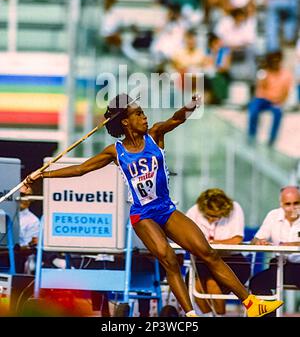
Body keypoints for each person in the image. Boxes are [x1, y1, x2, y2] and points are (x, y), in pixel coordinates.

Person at [25, 93, 283, 317]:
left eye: (143, 113)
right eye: (138, 114)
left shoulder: (155, 134)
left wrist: (189, 107)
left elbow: (177, 119)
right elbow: (81, 169)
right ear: (125, 122)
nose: (144, 117)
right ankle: (191, 314)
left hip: (165, 208)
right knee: (169, 260)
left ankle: (251, 303)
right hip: (142, 215)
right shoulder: (115, 151)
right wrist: (42, 175)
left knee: (208, 252)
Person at [186, 188, 251, 316]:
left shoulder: (235, 208)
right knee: (194, 285)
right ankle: (209, 315)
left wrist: (213, 244)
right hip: (203, 260)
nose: (212, 220)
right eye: (208, 215)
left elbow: (237, 238)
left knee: (211, 283)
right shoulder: (193, 211)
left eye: (216, 216)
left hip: (232, 260)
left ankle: (220, 315)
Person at [249, 186, 300, 301]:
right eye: (288, 204)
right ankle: (270, 314)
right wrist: (259, 242)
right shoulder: (273, 215)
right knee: (256, 283)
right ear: (281, 204)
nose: (292, 208)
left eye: (296, 203)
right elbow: (255, 240)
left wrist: (292, 244)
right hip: (280, 265)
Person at [248, 50, 293, 146]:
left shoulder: (286, 74)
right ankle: (251, 138)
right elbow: (260, 89)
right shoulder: (264, 72)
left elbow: (285, 93)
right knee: (253, 109)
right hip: (263, 99)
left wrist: (279, 102)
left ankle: (271, 141)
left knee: (278, 113)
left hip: (276, 101)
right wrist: (263, 72)